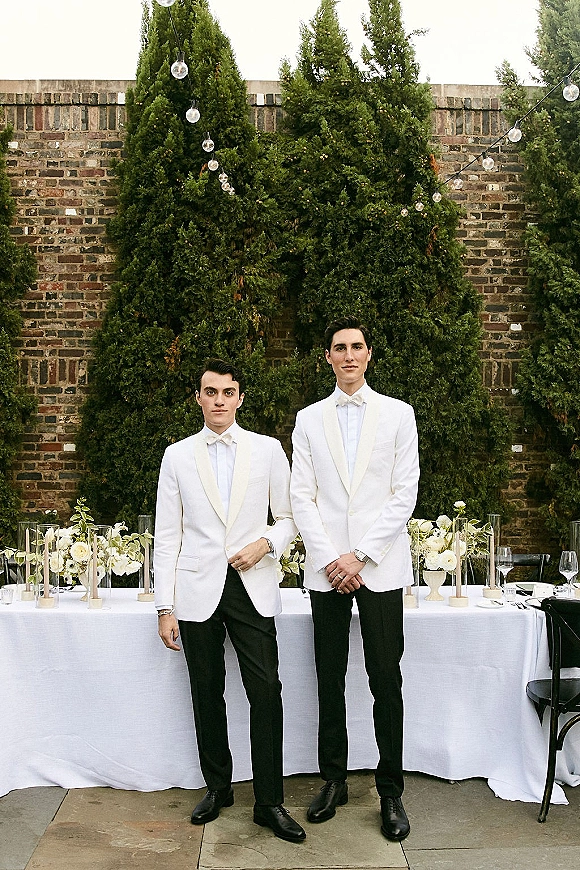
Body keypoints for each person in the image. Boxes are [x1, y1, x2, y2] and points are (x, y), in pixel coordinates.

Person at [154, 358, 306, 843]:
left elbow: (289, 517)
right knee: (207, 692)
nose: (219, 400)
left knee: (266, 693)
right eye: (210, 391)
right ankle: (218, 789)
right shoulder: (176, 455)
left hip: (252, 587)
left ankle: (269, 802)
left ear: (240, 398)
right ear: (198, 398)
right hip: (196, 591)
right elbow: (166, 534)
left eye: (228, 392)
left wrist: (267, 544)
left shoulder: (267, 451)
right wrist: (165, 605)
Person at [290, 316, 419, 841]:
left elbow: (403, 493)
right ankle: (334, 780)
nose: (348, 355)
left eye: (357, 347)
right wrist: (330, 559)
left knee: (385, 680)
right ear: (327, 357)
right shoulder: (307, 419)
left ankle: (391, 792)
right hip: (327, 573)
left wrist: (360, 556)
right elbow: (303, 495)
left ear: (368, 355)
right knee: (330, 678)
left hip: (380, 568)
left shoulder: (399, 414)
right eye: (339, 348)